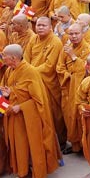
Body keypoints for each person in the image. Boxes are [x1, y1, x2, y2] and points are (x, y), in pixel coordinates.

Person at [0, 44, 61, 178]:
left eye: (4, 55)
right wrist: (8, 93)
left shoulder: (31, 72)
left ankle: (35, 173)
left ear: (14, 58)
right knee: (19, 145)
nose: (2, 58)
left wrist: (21, 107)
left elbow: (39, 100)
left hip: (28, 117)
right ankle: (22, 171)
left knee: (32, 145)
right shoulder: (10, 70)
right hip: (14, 117)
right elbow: (10, 89)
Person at [23, 16, 66, 147]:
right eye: (38, 25)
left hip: (49, 82)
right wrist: (28, 72)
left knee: (54, 113)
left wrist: (30, 73)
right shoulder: (33, 39)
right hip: (34, 81)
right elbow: (26, 58)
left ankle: (60, 141)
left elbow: (49, 66)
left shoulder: (55, 42)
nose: (40, 28)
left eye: (43, 25)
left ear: (50, 27)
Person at [56, 22, 90, 154]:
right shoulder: (66, 48)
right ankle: (75, 145)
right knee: (69, 117)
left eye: (76, 33)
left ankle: (85, 146)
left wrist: (73, 56)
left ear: (82, 34)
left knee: (79, 117)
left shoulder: (87, 48)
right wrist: (68, 76)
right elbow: (59, 67)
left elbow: (86, 70)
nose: (73, 36)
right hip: (68, 88)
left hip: (81, 90)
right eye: (71, 34)